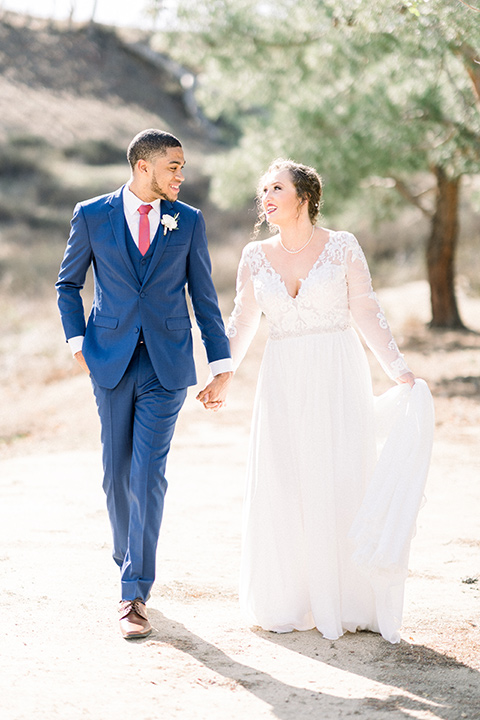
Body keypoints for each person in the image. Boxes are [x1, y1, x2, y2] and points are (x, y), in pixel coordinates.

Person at [220, 158, 433, 644]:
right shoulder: (254, 256)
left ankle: (346, 597)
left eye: (277, 187)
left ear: (305, 196)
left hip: (337, 373)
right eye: (263, 190)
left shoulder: (342, 247)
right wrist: (222, 373)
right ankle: (290, 597)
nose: (267, 196)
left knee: (338, 474)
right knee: (285, 477)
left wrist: (398, 370)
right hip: (281, 380)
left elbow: (367, 311)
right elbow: (242, 323)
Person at [56, 129, 233, 639]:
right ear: (143, 167)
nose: (182, 175)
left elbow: (204, 296)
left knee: (147, 474)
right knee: (115, 474)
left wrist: (220, 363)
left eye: (182, 167)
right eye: (173, 166)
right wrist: (77, 344)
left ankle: (133, 592)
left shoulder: (189, 221)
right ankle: (127, 554)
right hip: (108, 360)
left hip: (166, 365)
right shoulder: (91, 214)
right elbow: (67, 283)